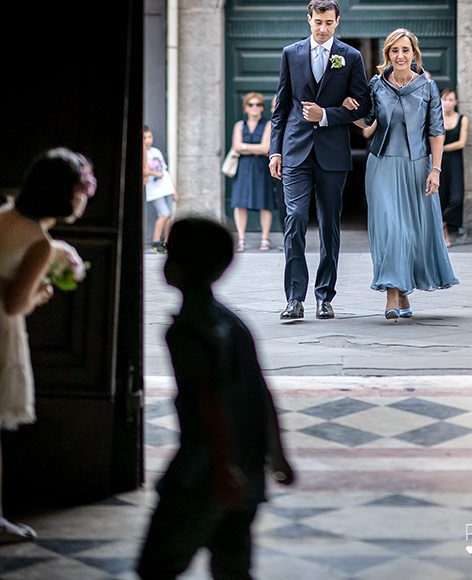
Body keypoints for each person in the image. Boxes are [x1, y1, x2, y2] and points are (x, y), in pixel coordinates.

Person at [136, 216, 295, 580]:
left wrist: (223, 468)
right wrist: (277, 452)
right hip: (249, 467)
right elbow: (261, 391)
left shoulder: (187, 330)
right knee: (232, 565)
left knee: (158, 564)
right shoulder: (234, 323)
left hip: (204, 470)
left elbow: (208, 401)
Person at [0, 148, 97, 544]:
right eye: (82, 190)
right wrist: (42, 292)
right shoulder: (39, 242)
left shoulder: (4, 214)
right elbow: (14, 304)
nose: (85, 198)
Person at [269, 0, 370, 322]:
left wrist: (327, 114)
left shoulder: (350, 57)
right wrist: (275, 149)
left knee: (329, 226)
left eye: (329, 23)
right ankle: (294, 298)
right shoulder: (291, 54)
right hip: (296, 149)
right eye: (318, 22)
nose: (323, 28)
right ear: (308, 19)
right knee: (295, 219)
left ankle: (324, 296)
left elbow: (364, 106)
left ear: (337, 22)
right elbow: (281, 107)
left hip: (332, 152)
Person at [351, 28, 458, 319]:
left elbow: (437, 131)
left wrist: (435, 169)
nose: (400, 56)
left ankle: (403, 293)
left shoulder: (427, 87)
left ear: (414, 54)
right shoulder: (376, 85)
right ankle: (391, 294)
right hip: (382, 165)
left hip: (417, 167)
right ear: (387, 54)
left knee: (412, 233)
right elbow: (367, 124)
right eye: (394, 51)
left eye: (405, 50)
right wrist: (352, 110)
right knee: (390, 230)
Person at [230, 92, 276, 252]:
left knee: (265, 202)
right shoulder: (239, 125)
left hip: (261, 167)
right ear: (245, 108)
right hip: (243, 168)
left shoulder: (268, 124)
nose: (255, 108)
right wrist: (255, 148)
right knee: (240, 203)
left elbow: (266, 148)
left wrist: (244, 147)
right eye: (251, 105)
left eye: (258, 105)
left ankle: (265, 238)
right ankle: (241, 239)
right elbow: (235, 147)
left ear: (262, 108)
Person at [439, 88, 469, 247]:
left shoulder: (462, 118)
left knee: (457, 198)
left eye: (451, 100)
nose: (448, 103)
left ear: (456, 102)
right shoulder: (436, 117)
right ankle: (445, 238)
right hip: (438, 163)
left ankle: (443, 222)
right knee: (440, 198)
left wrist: (441, 148)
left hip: (455, 161)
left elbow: (461, 143)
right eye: (445, 99)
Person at [143, 126, 177, 253]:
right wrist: (155, 174)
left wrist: (174, 189)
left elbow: (165, 171)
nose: (148, 140)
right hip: (155, 190)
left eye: (150, 137)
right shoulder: (143, 154)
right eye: (145, 137)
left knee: (169, 216)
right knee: (164, 214)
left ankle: (167, 242)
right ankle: (156, 241)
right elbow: (144, 171)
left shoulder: (156, 152)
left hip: (166, 187)